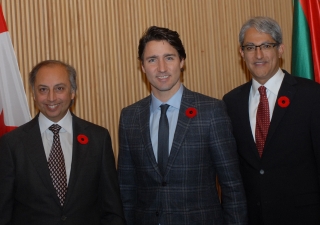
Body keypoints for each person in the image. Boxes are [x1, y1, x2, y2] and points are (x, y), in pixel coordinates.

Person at [117, 26, 247, 225]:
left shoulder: (211, 111)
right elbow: (126, 188)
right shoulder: (130, 117)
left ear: (182, 61)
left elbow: (232, 186)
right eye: (152, 60)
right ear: (142, 66)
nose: (161, 68)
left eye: (169, 57)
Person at [0, 60, 126, 225]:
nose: (51, 97)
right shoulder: (12, 143)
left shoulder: (98, 139)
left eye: (59, 88)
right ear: (33, 93)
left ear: (72, 92)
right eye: (43, 89)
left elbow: (112, 210)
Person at [223, 16, 320, 225]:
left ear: (281, 49)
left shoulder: (312, 96)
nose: (258, 54)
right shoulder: (231, 102)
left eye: (266, 45)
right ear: (242, 53)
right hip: (252, 218)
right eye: (250, 47)